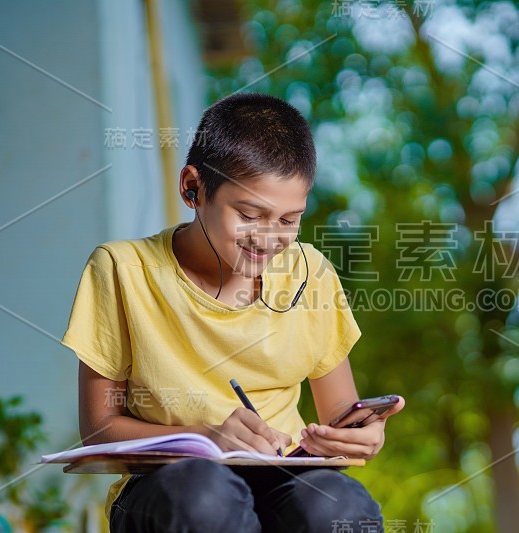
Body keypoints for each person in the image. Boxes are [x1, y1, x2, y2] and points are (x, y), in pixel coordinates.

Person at [60, 92, 405, 532]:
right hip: (170, 487)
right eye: (249, 213)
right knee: (205, 498)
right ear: (193, 188)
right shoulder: (122, 270)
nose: (269, 237)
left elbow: (339, 412)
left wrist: (359, 435)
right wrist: (208, 439)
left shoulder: (310, 272)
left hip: (284, 477)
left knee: (337, 504)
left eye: (287, 220)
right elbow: (99, 428)